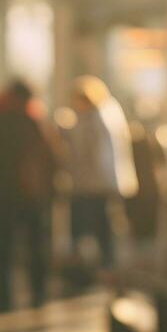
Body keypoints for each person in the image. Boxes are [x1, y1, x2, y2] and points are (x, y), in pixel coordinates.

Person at [0, 79, 62, 310]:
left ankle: (4, 298)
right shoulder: (36, 122)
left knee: (4, 249)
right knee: (37, 247)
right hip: (33, 196)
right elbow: (54, 158)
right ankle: (39, 295)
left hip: (5, 195)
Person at [63, 76, 138, 272]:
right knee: (105, 231)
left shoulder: (95, 119)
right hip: (105, 183)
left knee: (93, 230)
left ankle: (96, 271)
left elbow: (91, 155)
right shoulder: (110, 114)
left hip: (94, 184)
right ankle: (105, 269)